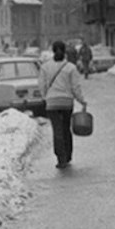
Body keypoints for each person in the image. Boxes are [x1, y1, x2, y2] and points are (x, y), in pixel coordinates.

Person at [38, 40, 87, 169]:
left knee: (57, 130)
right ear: (65, 51)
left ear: (53, 51)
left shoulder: (45, 67)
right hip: (66, 103)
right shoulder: (70, 67)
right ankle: (68, 155)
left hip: (52, 104)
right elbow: (75, 87)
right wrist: (82, 100)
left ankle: (61, 158)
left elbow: (41, 85)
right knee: (66, 129)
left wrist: (46, 98)